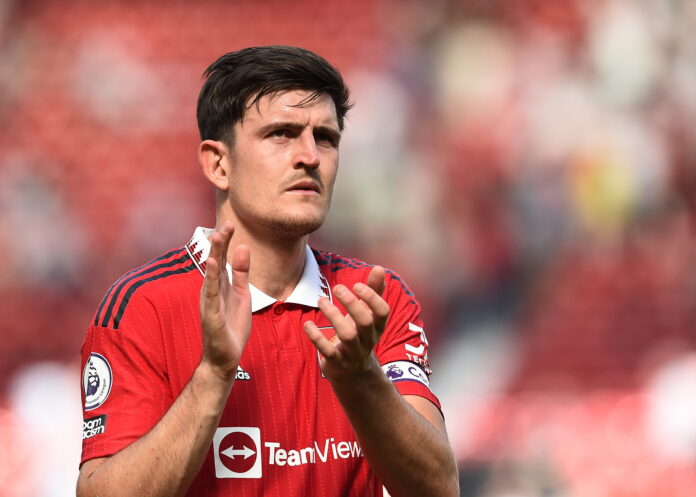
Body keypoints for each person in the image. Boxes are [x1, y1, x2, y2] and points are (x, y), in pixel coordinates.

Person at [76, 45, 459, 497]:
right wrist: (214, 373)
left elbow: (439, 488)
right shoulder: (144, 306)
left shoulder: (373, 299)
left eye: (326, 138)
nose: (310, 157)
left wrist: (360, 377)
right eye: (282, 133)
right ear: (219, 164)